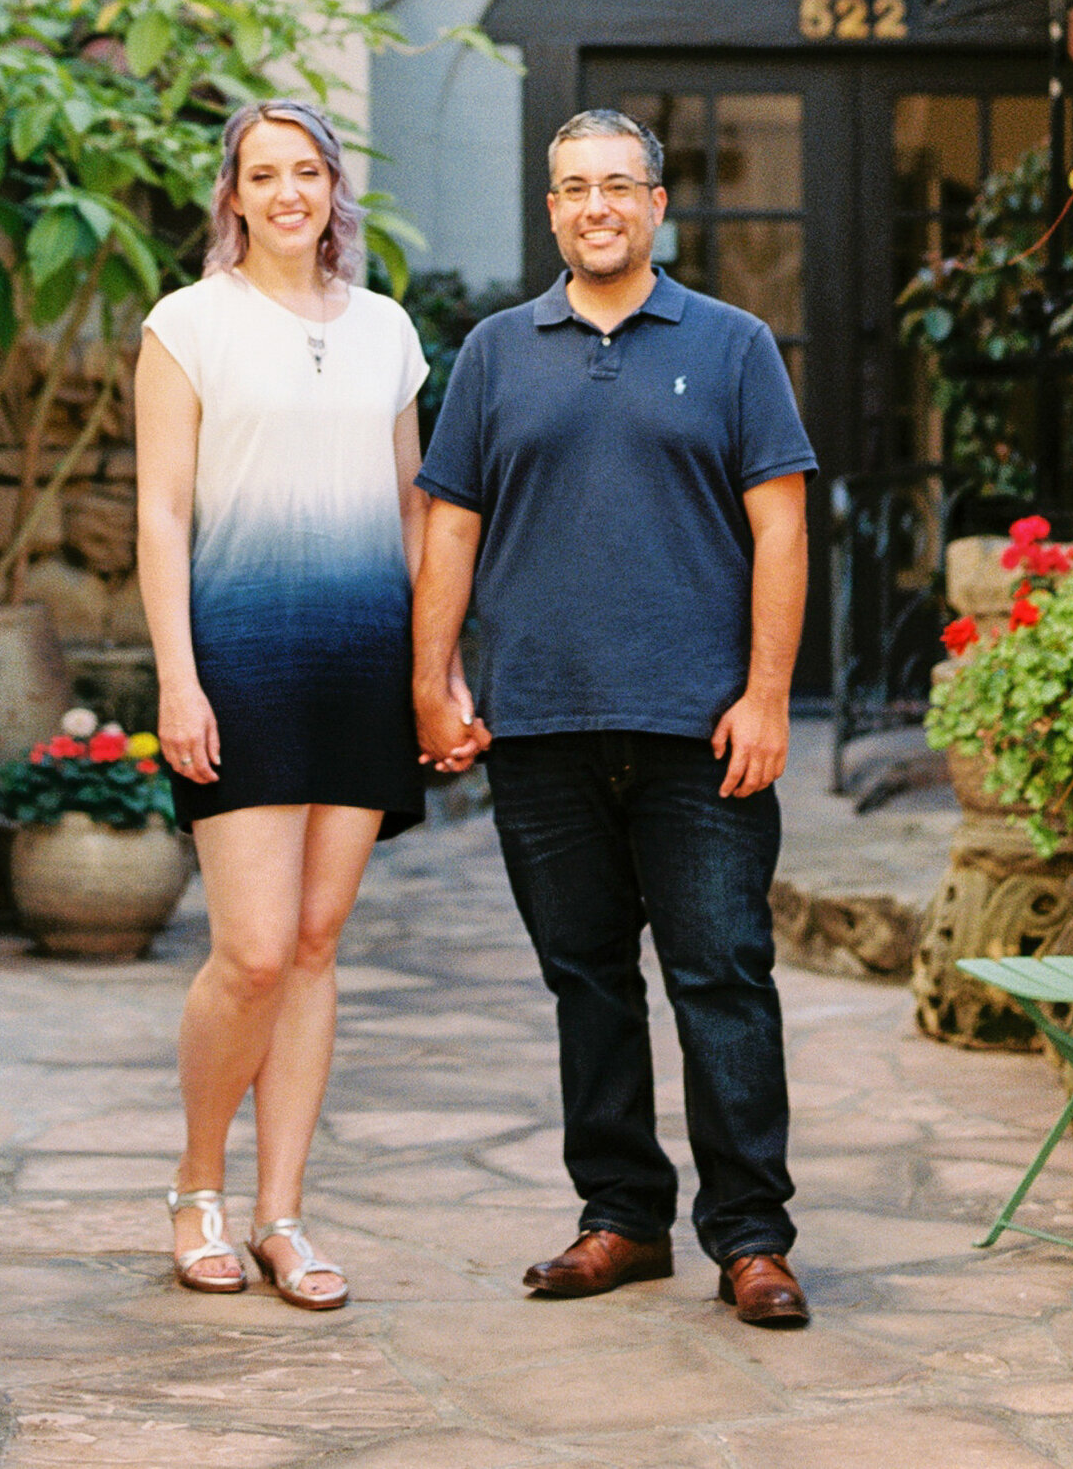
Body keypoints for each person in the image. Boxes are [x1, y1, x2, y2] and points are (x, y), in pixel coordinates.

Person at [411, 107, 816, 1328]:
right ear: (550, 210)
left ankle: (750, 1238)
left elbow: (782, 529)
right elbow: (451, 526)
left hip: (701, 732)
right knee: (585, 979)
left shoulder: (733, 345)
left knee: (722, 979)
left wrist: (767, 694)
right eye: (573, 187)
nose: (596, 205)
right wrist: (432, 678)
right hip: (538, 727)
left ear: (655, 206)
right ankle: (623, 1217)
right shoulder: (492, 352)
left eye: (618, 185)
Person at [134, 98, 428, 1314]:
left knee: (314, 946)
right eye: (264, 174)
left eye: (306, 170)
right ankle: (197, 1185)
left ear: (332, 189)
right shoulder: (186, 324)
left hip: (361, 659)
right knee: (250, 950)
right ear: (234, 195)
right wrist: (177, 676)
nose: (287, 192)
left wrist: (431, 668)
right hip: (239, 658)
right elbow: (162, 512)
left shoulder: (387, 330)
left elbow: (414, 510)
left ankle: (280, 1215)